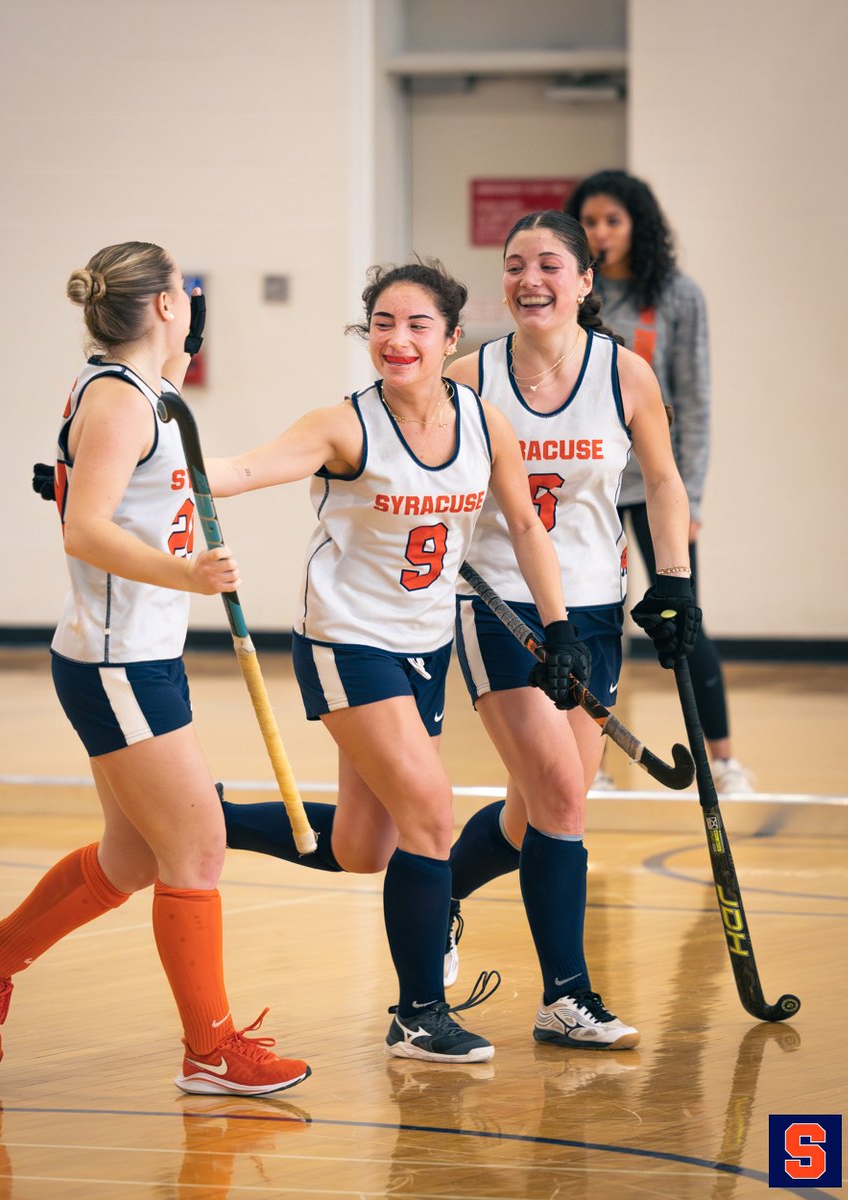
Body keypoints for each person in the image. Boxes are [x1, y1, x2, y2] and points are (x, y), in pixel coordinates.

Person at [0, 241, 310, 1097]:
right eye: (184, 289)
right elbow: (86, 528)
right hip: (117, 662)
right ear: (170, 304)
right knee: (197, 845)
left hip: (137, 654)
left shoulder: (149, 391)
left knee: (133, 859)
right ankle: (210, 1049)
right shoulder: (117, 400)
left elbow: (171, 485)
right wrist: (188, 574)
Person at [206, 258, 589, 1063]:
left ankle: (202, 818)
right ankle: (419, 1013)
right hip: (347, 642)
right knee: (432, 814)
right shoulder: (343, 425)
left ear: (450, 338)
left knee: (363, 847)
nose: (397, 339)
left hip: (426, 645)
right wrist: (132, 475)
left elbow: (523, 527)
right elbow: (236, 473)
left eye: (417, 325)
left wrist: (559, 629)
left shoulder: (485, 422)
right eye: (382, 323)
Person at [442, 210, 701, 1049]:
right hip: (502, 606)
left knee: (539, 812)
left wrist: (676, 586)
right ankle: (567, 996)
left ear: (586, 281)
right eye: (515, 264)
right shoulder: (467, 377)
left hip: (593, 607)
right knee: (559, 796)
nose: (530, 279)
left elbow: (661, 482)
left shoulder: (624, 374)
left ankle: (439, 888)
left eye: (550, 264)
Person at [565, 170, 753, 794]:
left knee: (682, 615)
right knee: (593, 621)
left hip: (654, 488)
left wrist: (690, 495)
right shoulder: (570, 293)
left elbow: (694, 403)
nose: (599, 233)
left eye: (612, 221)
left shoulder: (676, 294)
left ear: (638, 226)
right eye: (588, 222)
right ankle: (592, 764)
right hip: (586, 488)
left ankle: (722, 761)